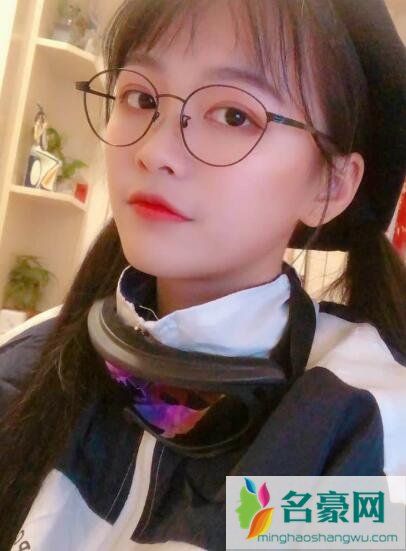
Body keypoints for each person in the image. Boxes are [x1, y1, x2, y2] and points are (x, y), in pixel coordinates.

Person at [0, 0, 405, 549]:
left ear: (330, 185)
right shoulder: (31, 361)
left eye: (234, 115)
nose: (155, 151)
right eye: (142, 98)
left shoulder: (365, 424)